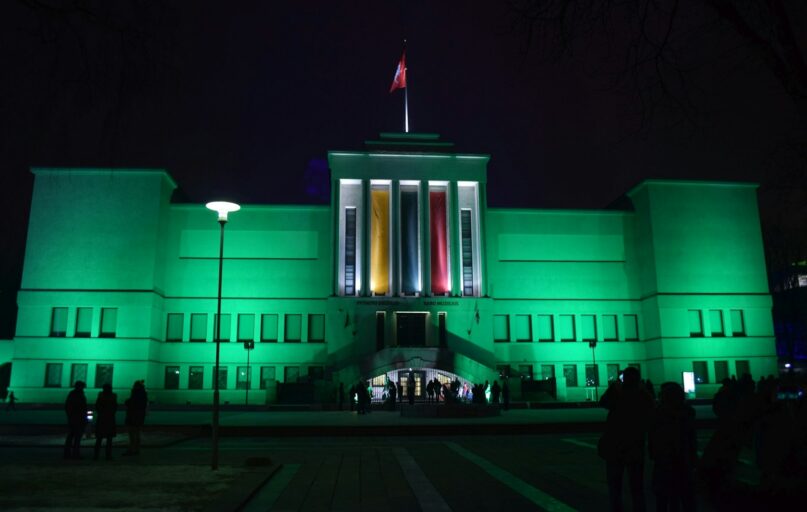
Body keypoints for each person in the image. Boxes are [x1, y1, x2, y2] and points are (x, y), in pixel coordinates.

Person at [598, 367, 653, 512]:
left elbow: (602, 402)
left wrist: (614, 388)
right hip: (635, 444)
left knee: (615, 485)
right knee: (637, 485)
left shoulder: (618, 392)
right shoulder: (641, 394)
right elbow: (651, 407)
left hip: (615, 444)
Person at [649, 382, 697, 511]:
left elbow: (654, 438)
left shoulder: (658, 414)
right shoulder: (688, 414)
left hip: (664, 461)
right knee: (686, 498)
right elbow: (691, 440)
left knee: (664, 498)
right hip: (683, 461)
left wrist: (654, 454)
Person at [94, 384, 118, 460]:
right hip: (110, 419)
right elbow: (115, 407)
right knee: (109, 439)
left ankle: (96, 455)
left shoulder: (101, 396)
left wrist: (101, 413)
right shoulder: (113, 396)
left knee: (99, 439)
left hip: (101, 419)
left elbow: (97, 406)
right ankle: (108, 455)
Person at [64, 381, 87, 459]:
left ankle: (68, 453)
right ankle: (75, 453)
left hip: (74, 418)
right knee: (76, 437)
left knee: (71, 436)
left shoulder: (73, 394)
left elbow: (68, 406)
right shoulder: (78, 394)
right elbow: (82, 407)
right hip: (77, 418)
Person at [123, 380, 147, 456]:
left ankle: (131, 449)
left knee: (132, 433)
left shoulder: (135, 393)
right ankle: (136, 449)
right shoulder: (143, 394)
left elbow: (131, 403)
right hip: (140, 416)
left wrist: (127, 402)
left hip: (132, 416)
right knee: (137, 433)